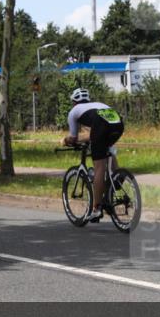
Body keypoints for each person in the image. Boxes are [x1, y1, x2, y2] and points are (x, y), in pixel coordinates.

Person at [61, 87, 124, 223]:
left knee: (99, 166)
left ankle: (96, 208)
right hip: (118, 123)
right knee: (108, 149)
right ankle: (117, 179)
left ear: (73, 102)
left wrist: (65, 141)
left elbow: (73, 137)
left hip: (102, 126)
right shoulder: (97, 105)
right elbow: (93, 134)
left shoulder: (74, 112)